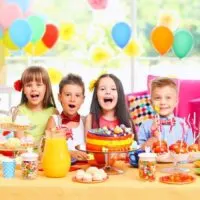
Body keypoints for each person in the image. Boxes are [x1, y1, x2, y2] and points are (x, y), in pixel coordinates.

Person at [85, 74, 136, 164]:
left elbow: (132, 150)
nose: (108, 92)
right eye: (102, 89)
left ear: (119, 94)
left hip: (122, 170)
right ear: (96, 94)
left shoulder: (126, 121)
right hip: (98, 168)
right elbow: (88, 150)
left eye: (113, 89)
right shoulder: (91, 118)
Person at [138, 77, 193, 149]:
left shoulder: (184, 125)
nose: (163, 102)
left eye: (168, 97)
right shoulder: (145, 126)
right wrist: (154, 137)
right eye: (158, 98)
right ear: (151, 102)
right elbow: (140, 152)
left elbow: (191, 152)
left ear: (176, 101)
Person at [46, 73, 88, 160]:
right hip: (60, 167)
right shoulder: (54, 120)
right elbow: (48, 149)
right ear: (59, 97)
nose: (72, 99)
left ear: (83, 99)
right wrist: (70, 153)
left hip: (83, 169)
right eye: (68, 95)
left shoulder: (85, 121)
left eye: (77, 95)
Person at [13, 66, 57, 145]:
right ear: (23, 90)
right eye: (29, 85)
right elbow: (19, 144)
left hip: (46, 155)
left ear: (46, 88)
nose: (34, 88)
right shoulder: (20, 112)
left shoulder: (53, 112)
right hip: (25, 156)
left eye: (38, 85)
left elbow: (53, 142)